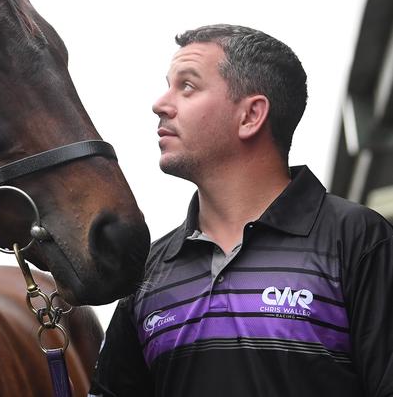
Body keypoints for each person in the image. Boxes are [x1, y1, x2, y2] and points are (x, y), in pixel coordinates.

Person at [89, 24, 393, 397]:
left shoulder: (359, 240)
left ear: (251, 115)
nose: (161, 104)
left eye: (187, 86)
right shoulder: (149, 272)